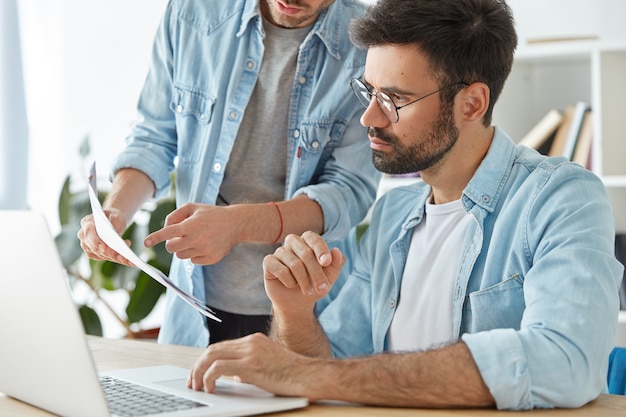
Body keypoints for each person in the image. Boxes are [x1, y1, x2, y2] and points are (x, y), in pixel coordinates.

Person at [186, 0, 624, 410]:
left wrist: (311, 374)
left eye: (394, 99)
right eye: (368, 91)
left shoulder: (561, 198)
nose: (369, 118)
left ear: (471, 103)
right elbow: (331, 364)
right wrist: (294, 312)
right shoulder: (393, 215)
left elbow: (566, 360)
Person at [77, 0, 379, 347]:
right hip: (192, 307)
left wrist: (238, 224)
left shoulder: (368, 44)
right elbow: (154, 136)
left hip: (305, 315)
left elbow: (348, 191)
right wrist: (116, 210)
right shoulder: (193, 12)